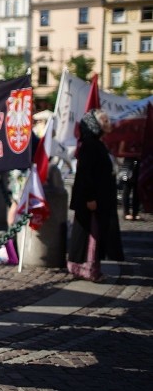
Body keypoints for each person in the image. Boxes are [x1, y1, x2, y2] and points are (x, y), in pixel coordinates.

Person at [67, 109, 125, 281]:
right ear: (96, 125)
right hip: (92, 200)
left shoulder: (98, 143)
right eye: (105, 121)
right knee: (90, 235)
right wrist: (90, 197)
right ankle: (86, 269)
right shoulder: (90, 145)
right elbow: (86, 173)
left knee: (97, 234)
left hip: (101, 198)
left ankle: (93, 268)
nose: (109, 123)